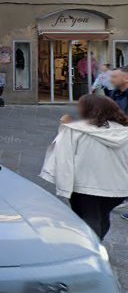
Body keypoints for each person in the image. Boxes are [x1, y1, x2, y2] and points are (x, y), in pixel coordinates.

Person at [40, 94, 128, 240]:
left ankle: (92, 251)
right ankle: (96, 245)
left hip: (85, 186)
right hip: (118, 188)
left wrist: (64, 187)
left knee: (88, 218)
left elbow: (64, 159)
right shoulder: (124, 131)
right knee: (101, 216)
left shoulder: (74, 130)